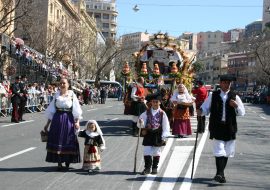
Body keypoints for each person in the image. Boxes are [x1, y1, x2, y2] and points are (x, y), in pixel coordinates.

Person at [197, 74, 245, 183]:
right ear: (220, 83)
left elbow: (242, 112)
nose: (226, 85)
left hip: (230, 127)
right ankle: (219, 173)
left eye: (228, 83)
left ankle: (221, 174)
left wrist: (236, 106)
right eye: (224, 83)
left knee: (227, 152)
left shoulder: (235, 96)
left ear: (230, 84)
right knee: (219, 150)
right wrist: (201, 111)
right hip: (217, 127)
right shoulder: (213, 95)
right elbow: (205, 108)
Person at [43, 78, 82, 171]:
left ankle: (68, 160)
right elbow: (52, 111)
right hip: (57, 120)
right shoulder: (56, 95)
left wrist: (77, 122)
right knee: (57, 140)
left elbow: (77, 110)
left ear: (68, 84)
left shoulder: (72, 95)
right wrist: (47, 125)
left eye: (64, 83)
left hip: (68, 120)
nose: (62, 84)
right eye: (60, 83)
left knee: (68, 139)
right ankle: (59, 162)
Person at [137, 93, 170, 175]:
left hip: (158, 134)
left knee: (156, 152)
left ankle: (154, 168)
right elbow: (140, 122)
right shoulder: (146, 112)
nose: (155, 103)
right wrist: (141, 122)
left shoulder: (162, 113)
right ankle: (147, 168)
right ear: (151, 102)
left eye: (157, 102)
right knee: (147, 151)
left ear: (159, 103)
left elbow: (166, 125)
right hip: (148, 134)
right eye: (154, 102)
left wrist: (164, 136)